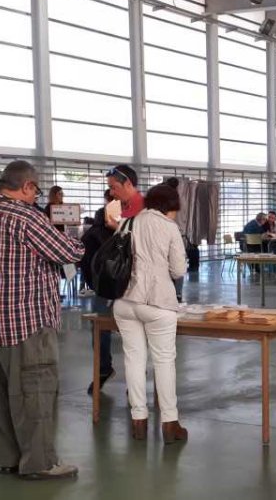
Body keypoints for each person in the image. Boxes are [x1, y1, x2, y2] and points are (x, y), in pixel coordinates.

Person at [0, 161, 84, 480]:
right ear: (27, 186)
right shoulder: (25, 216)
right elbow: (69, 252)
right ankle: (39, 463)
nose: (36, 198)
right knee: (35, 389)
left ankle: (7, 458)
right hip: (22, 318)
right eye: (36, 191)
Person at [114, 183, 190, 444]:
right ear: (170, 207)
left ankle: (138, 422)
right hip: (158, 303)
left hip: (125, 301)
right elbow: (178, 270)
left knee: (134, 360)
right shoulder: (169, 227)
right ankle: (170, 424)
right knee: (164, 361)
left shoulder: (129, 223)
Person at [82, 189, 117, 394]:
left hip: (103, 288)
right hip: (109, 287)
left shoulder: (93, 231)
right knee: (102, 328)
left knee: (100, 329)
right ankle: (105, 369)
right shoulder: (100, 229)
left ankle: (105, 369)